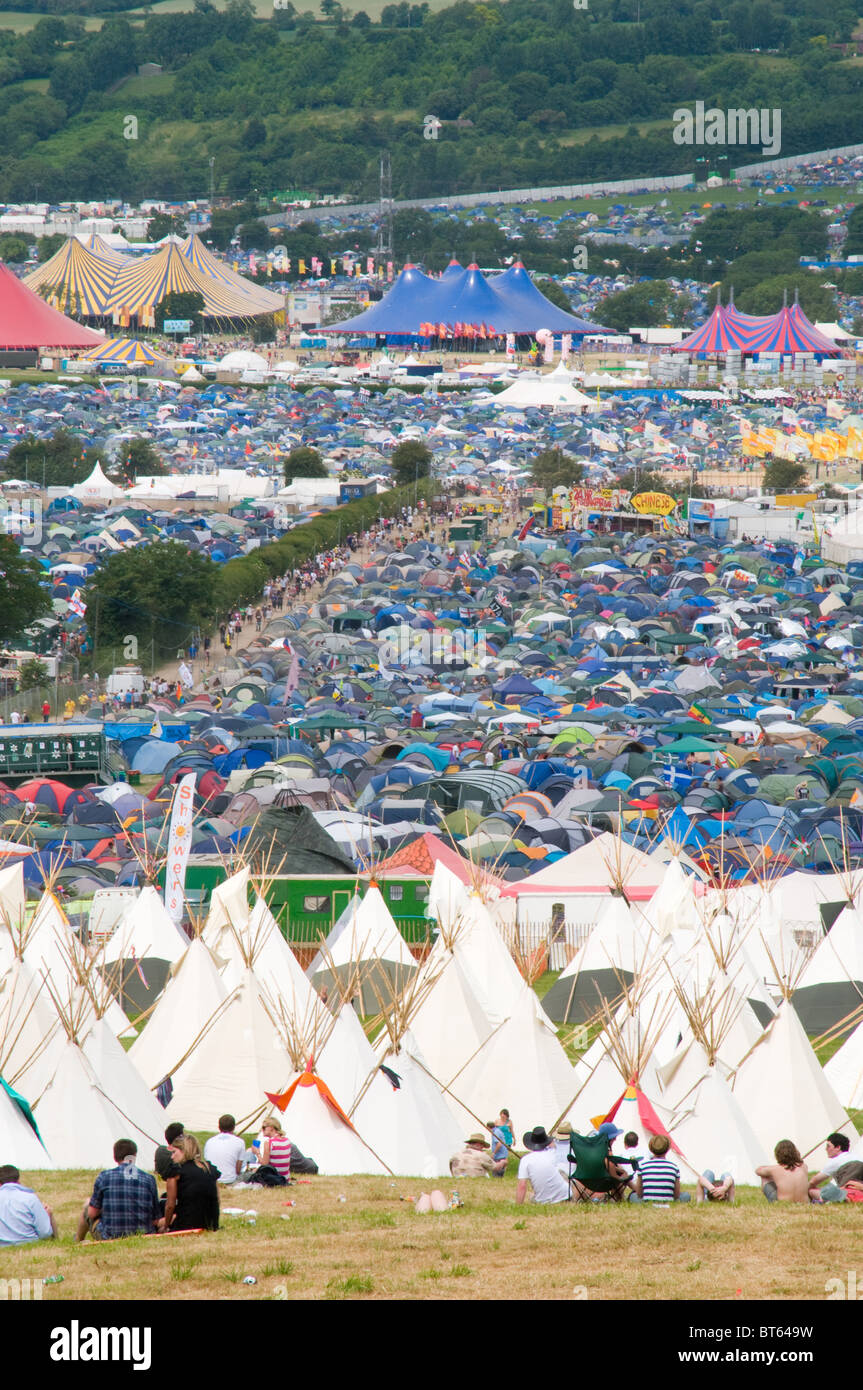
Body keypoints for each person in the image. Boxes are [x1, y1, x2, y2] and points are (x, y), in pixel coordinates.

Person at [77, 1139, 161, 1241]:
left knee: (88, 1208)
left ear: (115, 1156)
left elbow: (92, 1213)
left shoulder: (104, 1177)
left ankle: (78, 1240)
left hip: (110, 1237)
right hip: (144, 1234)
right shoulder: (149, 1179)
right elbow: (156, 1218)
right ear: (134, 1156)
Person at [164, 1135, 220, 1231]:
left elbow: (170, 1205)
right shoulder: (208, 1168)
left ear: (184, 1151)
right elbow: (217, 1199)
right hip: (210, 1224)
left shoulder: (177, 1172)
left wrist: (166, 1226)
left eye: (174, 1152)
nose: (172, 1157)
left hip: (187, 1225)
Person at [0, 1164, 56, 1246]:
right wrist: (47, 1217)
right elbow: (45, 1233)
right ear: (18, 1180)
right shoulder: (31, 1198)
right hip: (30, 1243)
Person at [516, 1126, 571, 1205]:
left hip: (542, 1200)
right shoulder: (552, 1153)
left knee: (532, 1197)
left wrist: (518, 1205)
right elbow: (554, 1146)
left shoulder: (525, 1160)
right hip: (565, 1195)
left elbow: (522, 1186)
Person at [809, 1133, 863, 1204]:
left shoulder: (836, 1161)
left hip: (845, 1191)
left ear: (838, 1147)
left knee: (812, 1191)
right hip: (858, 1190)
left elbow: (813, 1181)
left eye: (828, 1146)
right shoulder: (857, 1157)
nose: (826, 1149)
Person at [636, 1135, 690, 1204]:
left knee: (633, 1196)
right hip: (668, 1202)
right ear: (668, 1149)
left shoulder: (643, 1166)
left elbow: (639, 1193)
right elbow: (676, 1195)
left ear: (651, 1148)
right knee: (686, 1195)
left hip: (648, 1202)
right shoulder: (674, 1167)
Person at [203, 1114, 246, 1185]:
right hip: (230, 1180)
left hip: (212, 1179)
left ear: (219, 1127)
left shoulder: (210, 1141)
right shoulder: (240, 1142)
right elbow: (238, 1170)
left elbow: (207, 1163)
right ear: (233, 1127)